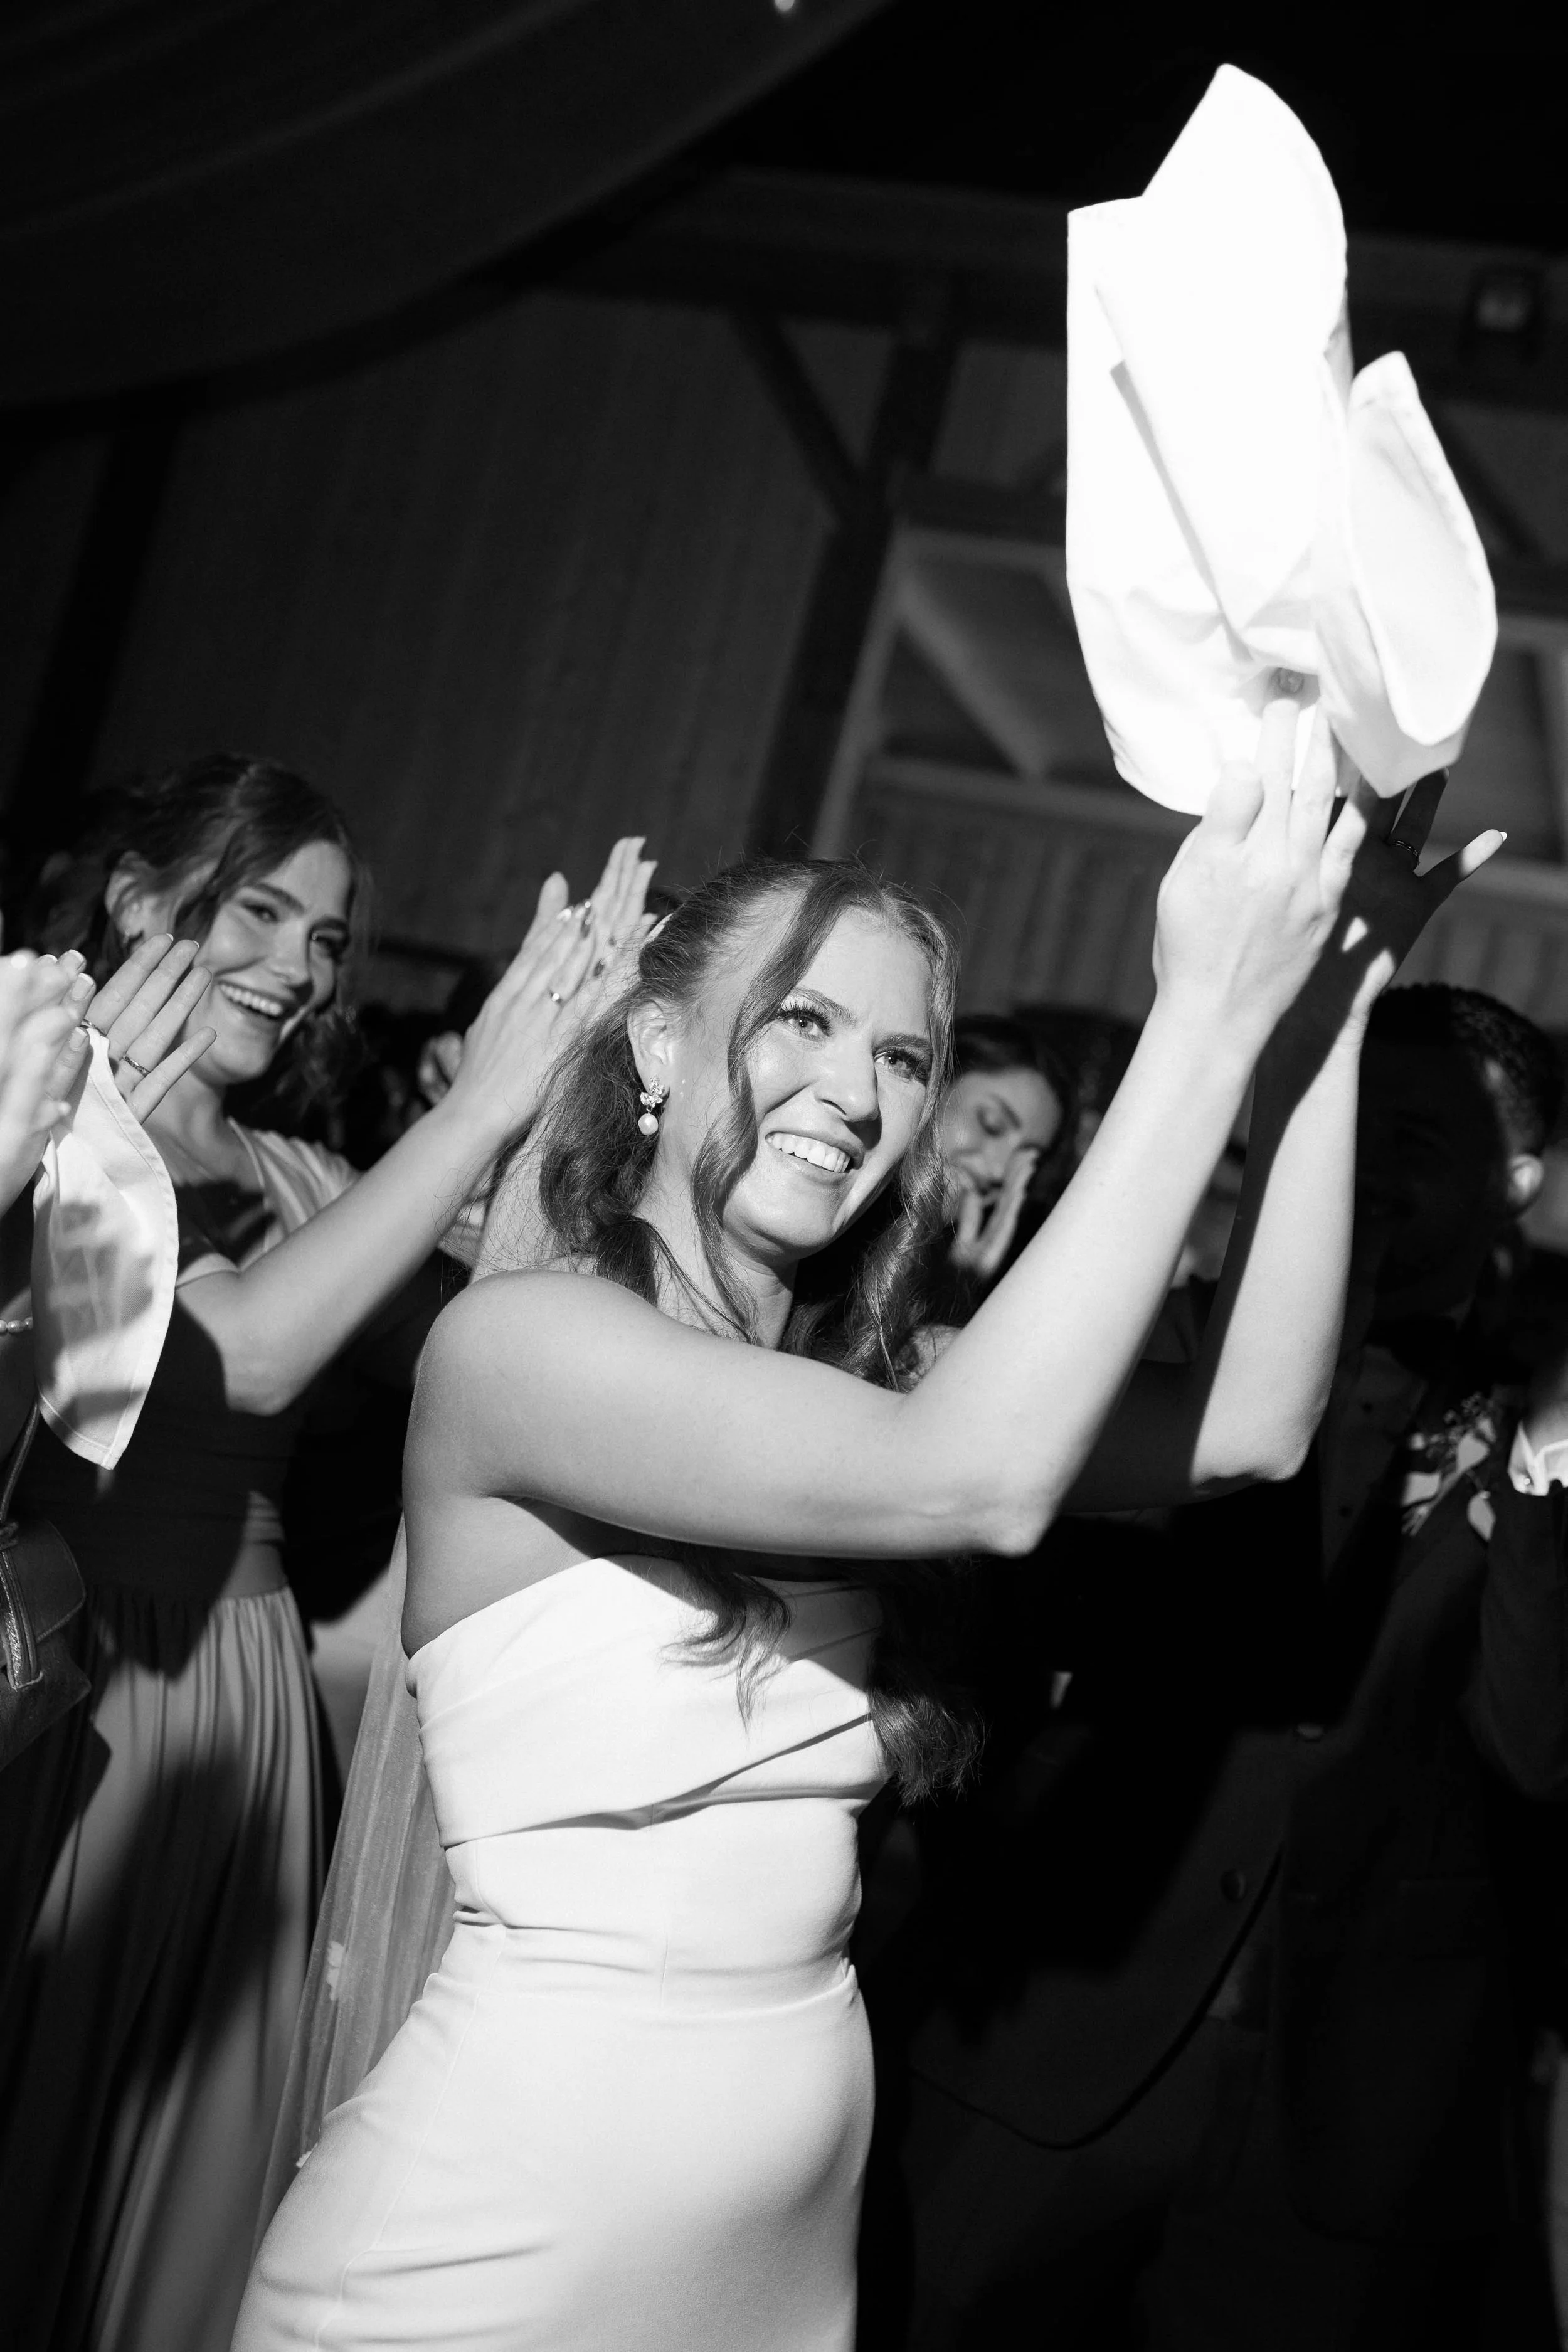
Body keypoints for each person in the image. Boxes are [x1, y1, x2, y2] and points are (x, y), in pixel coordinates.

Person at [236, 689, 1497, 2352]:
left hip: (786, 2210)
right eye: (800, 1022)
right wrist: (1203, 1000)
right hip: (513, 2205)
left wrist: (1329, 1007)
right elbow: (973, 1477)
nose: (857, 1085)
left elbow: (1256, 1422)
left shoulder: (885, 1373)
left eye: (902, 1053)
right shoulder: (526, 1343)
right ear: (660, 1045)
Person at [0, 752, 650, 2352]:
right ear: (146, 905)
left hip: (251, 1711)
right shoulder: (65, 1139)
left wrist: (588, 1072)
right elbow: (252, 1358)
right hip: (91, 1700)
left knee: (179, 2190)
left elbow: (496, 1337)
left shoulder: (302, 1176)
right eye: (264, 911)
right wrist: (486, 1095)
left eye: (329, 941)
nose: (299, 967)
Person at [870, 977, 1567, 2352]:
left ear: (1516, 1182)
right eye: (1344, 1126)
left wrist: (1545, 1482)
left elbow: (1535, 1746)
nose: (1362, 1168)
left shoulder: (1543, 1417)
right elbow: (993, 1637)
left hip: (1352, 2116)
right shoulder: (1152, 1343)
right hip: (1049, 2024)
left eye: (1416, 1145)